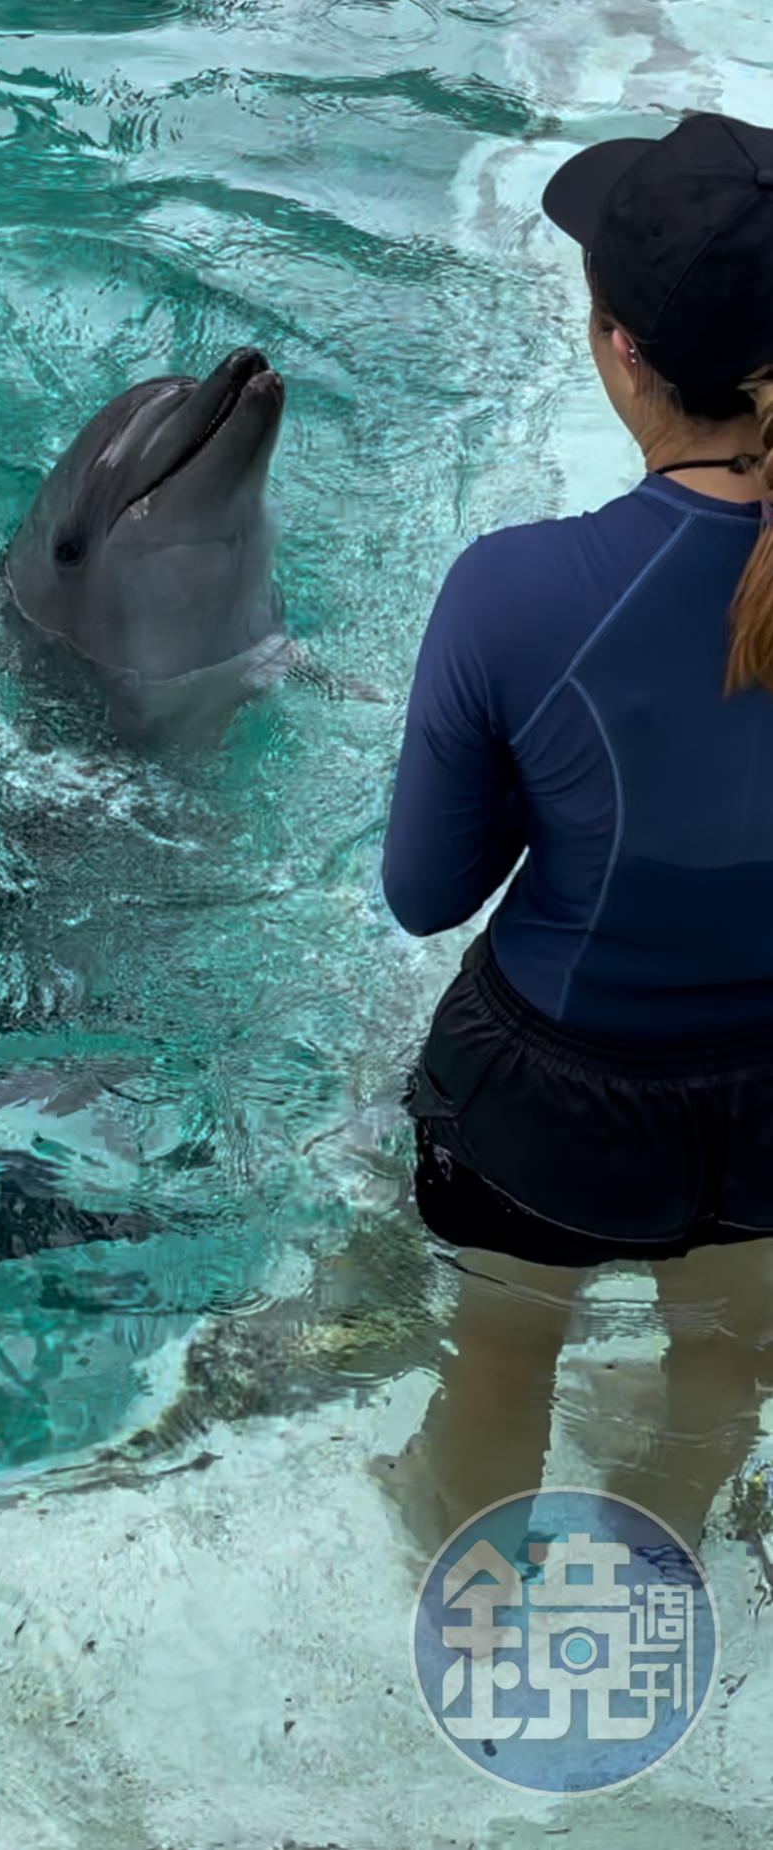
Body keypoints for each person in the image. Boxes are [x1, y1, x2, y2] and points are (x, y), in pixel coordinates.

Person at [377, 112, 773, 1565]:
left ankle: (449, 1546)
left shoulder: (516, 591)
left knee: (500, 1359)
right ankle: (664, 1533)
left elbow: (423, 894)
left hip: (554, 1107)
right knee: (726, 1351)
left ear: (616, 349)